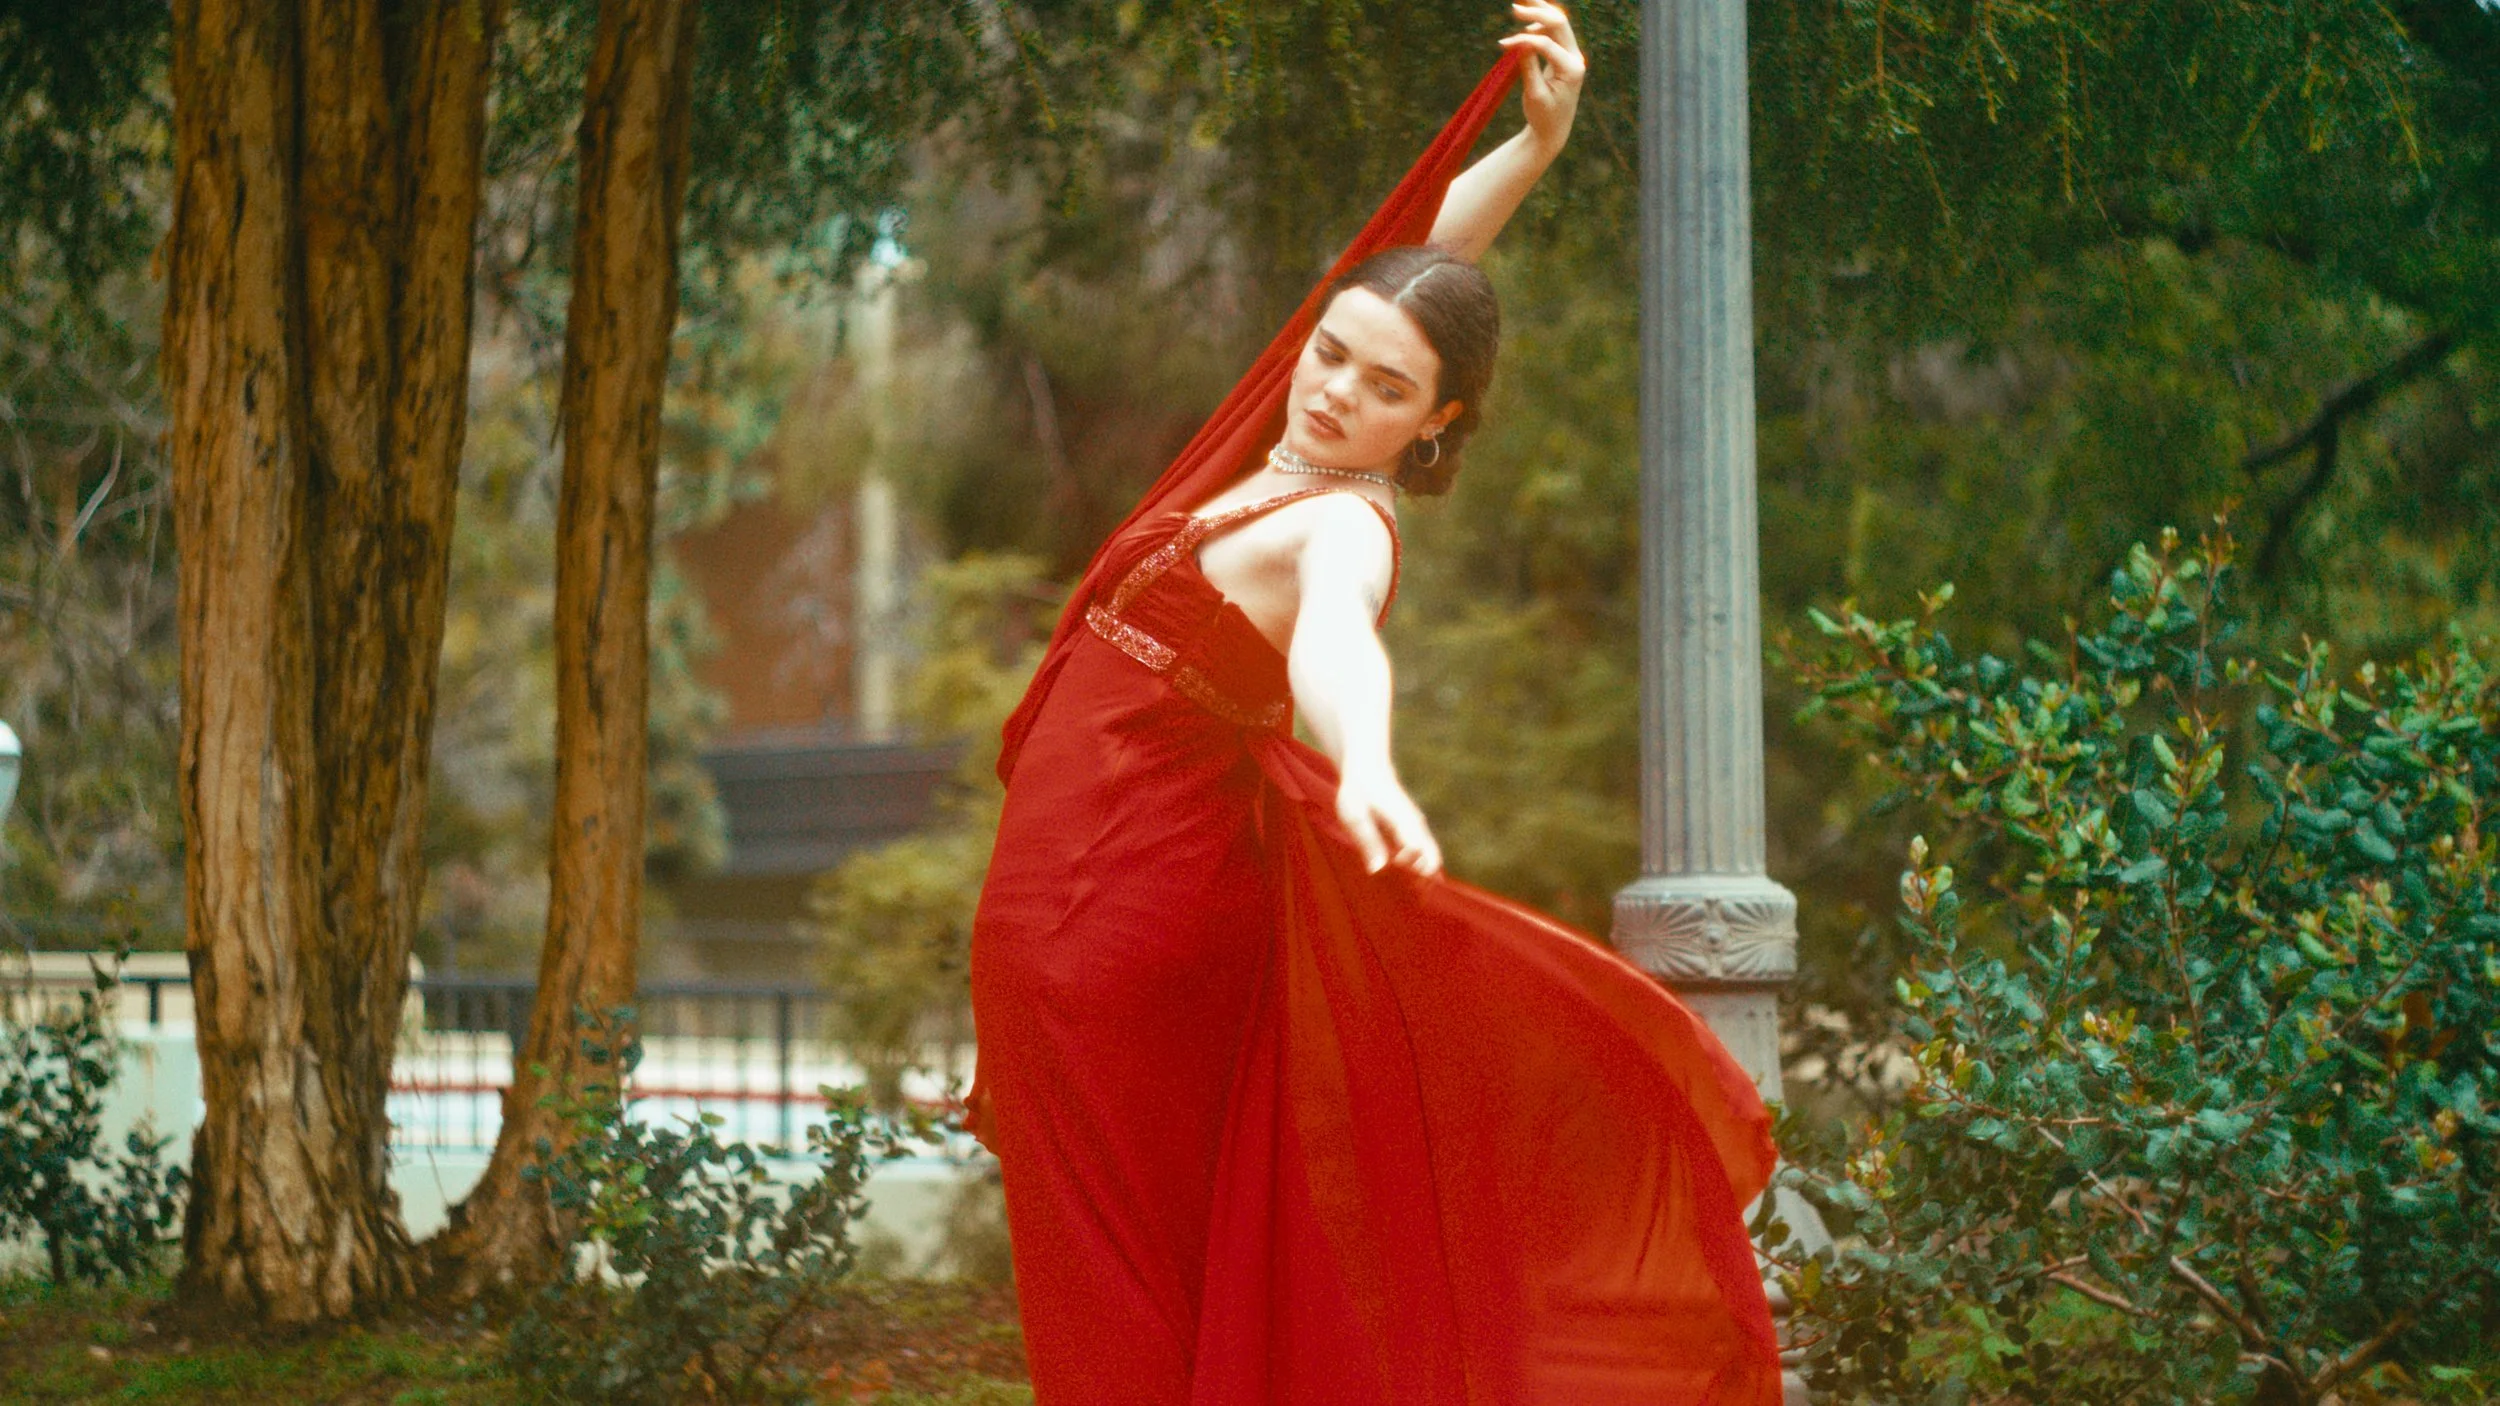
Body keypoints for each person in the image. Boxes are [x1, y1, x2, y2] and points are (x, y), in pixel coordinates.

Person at [966, 6, 1783, 1401]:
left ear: (1437, 423)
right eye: (1332, 351)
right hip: (1092, 900)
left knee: (1120, 1282)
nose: (1339, 390)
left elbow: (1338, 647)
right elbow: (1421, 264)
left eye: (1386, 385)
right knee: (1124, 1266)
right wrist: (1536, 145)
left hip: (1117, 925)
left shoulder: (1344, 521)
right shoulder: (1278, 434)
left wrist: (1364, 765)